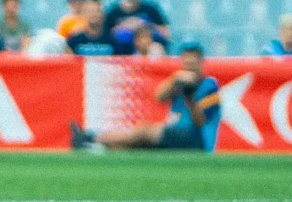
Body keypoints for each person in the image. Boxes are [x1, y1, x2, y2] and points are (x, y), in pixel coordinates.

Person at [73, 42, 221, 152]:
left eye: (193, 63)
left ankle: (91, 138)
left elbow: (201, 122)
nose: (189, 67)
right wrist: (175, 80)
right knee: (131, 145)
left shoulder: (209, 86)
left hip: (197, 138)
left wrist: (190, 98)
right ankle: (94, 148)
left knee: (145, 131)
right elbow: (159, 97)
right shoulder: (178, 82)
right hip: (176, 132)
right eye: (186, 62)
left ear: (201, 62)